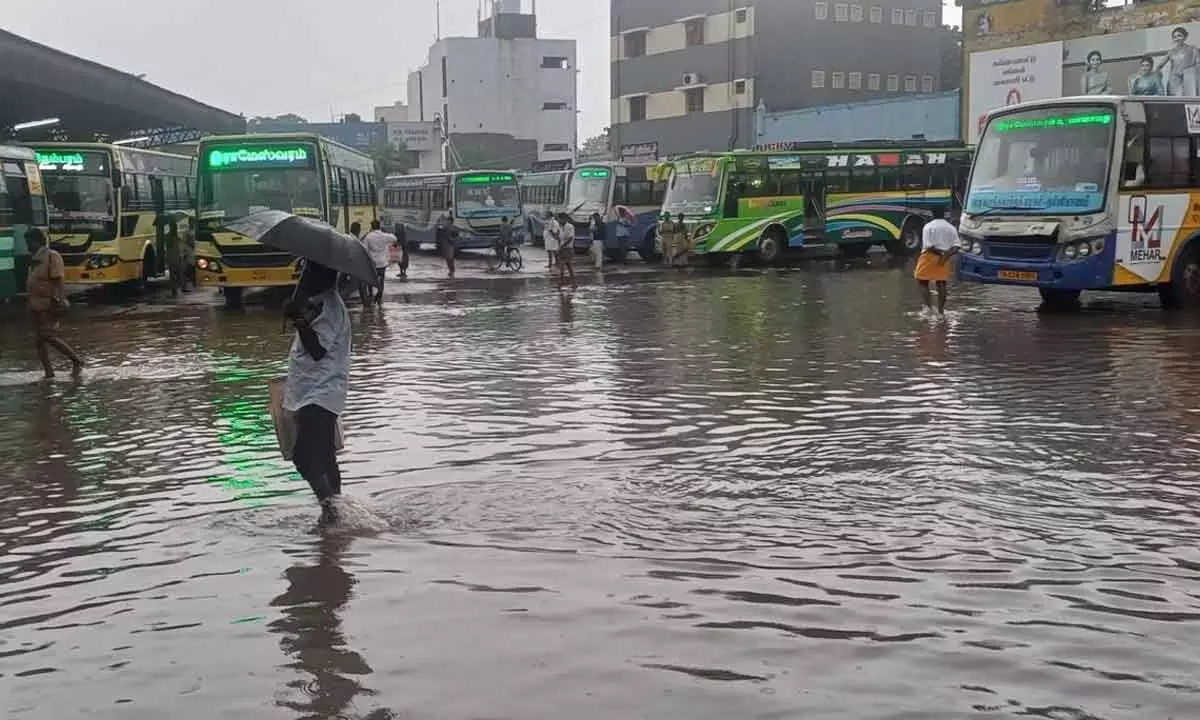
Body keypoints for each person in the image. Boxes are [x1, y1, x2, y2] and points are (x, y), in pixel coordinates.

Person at [283, 260, 352, 525]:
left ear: (322, 276)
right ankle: (336, 511)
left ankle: (331, 511)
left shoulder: (332, 307)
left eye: (308, 273)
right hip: (313, 389)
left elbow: (318, 349)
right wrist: (298, 310)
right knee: (324, 454)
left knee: (303, 455)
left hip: (321, 392)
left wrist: (299, 320)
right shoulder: (321, 302)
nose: (303, 277)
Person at [25, 228, 84, 379]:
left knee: (48, 335)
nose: (27, 245)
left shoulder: (52, 256)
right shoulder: (34, 258)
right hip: (35, 303)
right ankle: (48, 372)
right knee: (39, 340)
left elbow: (58, 280)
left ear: (36, 241)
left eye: (28, 242)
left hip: (47, 303)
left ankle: (76, 360)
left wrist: (61, 299)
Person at [913, 206, 959, 318]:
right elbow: (956, 246)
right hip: (944, 258)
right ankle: (941, 311)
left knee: (922, 282)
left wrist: (940, 254)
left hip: (929, 257)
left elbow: (929, 246)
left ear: (932, 214)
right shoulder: (951, 228)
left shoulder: (928, 227)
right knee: (941, 283)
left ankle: (928, 308)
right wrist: (946, 255)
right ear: (944, 214)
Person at [1159, 26, 1200, 97]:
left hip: (1189, 80)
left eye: (1179, 36)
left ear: (1185, 37)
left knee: (1190, 102)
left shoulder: (1193, 49)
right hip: (1174, 81)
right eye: (1174, 37)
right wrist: (1158, 76)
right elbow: (1160, 66)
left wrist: (1188, 72)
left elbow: (1198, 64)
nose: (1177, 38)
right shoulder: (1171, 52)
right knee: (1176, 103)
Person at [361, 220, 395, 305]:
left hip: (372, 263)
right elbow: (394, 238)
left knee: (370, 279)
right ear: (379, 226)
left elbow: (364, 249)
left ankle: (371, 294)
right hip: (382, 263)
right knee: (381, 280)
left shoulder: (368, 237)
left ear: (372, 227)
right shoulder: (384, 236)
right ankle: (379, 296)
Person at [556, 213, 576, 286]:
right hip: (562, 249)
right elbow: (559, 238)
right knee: (568, 266)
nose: (559, 220)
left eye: (560, 219)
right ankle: (573, 282)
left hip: (568, 249)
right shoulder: (561, 227)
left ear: (564, 219)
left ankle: (561, 282)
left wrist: (562, 246)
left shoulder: (570, 226)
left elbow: (571, 238)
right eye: (558, 219)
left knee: (562, 265)